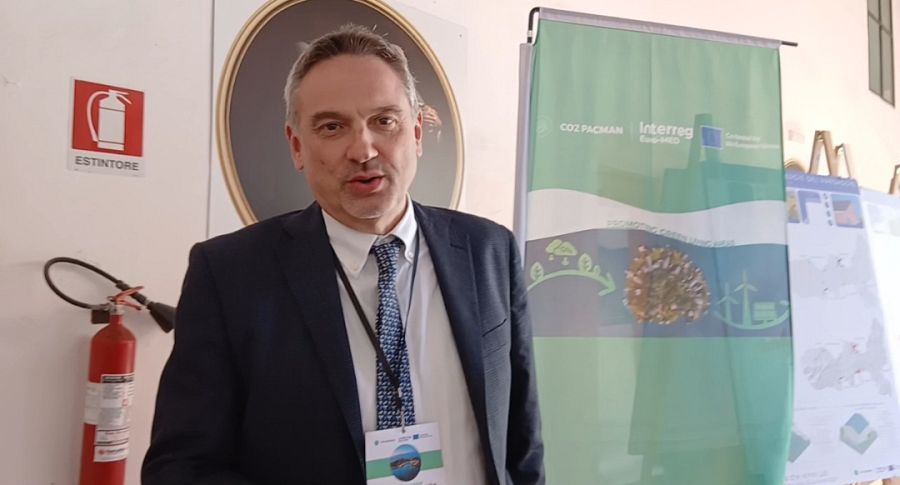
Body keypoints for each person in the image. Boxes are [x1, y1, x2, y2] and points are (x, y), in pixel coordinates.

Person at [142, 24, 544, 485]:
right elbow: (181, 468)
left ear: (416, 132)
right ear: (297, 146)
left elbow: (522, 442)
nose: (363, 149)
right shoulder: (229, 275)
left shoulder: (488, 250)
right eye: (332, 127)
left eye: (384, 121)